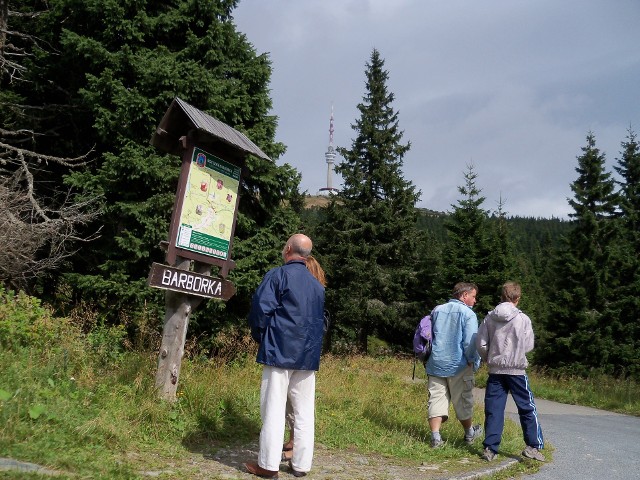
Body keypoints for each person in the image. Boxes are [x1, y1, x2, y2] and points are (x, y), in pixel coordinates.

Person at [245, 234, 326, 479]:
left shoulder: (278, 275)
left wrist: (262, 338)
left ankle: (268, 466)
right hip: (307, 355)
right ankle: (300, 465)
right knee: (303, 412)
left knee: (273, 409)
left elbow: (261, 311)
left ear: (288, 249)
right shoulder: (317, 285)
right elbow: (321, 321)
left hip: (279, 350)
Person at [476, 282, 545, 462]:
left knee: (493, 409)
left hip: (495, 369)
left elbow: (481, 343)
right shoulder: (523, 319)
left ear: (501, 296)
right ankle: (533, 446)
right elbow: (528, 346)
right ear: (517, 298)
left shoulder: (490, 318)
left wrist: (489, 356)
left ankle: (490, 448)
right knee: (527, 407)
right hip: (516, 370)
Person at [425, 282, 483, 448]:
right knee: (463, 400)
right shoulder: (468, 314)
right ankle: (469, 434)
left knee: (436, 399)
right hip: (459, 364)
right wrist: (472, 360)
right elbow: (470, 342)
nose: (475, 300)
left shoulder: (437, 310)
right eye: (473, 296)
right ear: (464, 296)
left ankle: (436, 437)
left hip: (435, 362)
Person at [282, 255, 327, 462]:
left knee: (294, 405)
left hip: (292, 353)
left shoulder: (308, 294)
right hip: (308, 354)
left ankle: (294, 446)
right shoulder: (318, 294)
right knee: (298, 404)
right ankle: (294, 445)